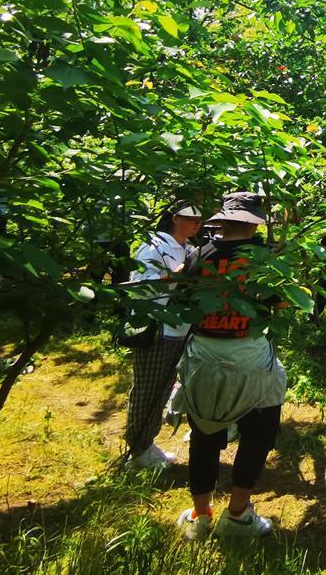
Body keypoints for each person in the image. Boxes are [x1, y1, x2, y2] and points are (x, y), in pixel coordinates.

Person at [173, 192, 287, 541]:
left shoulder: (199, 255)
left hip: (204, 355)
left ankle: (200, 513)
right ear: (254, 223)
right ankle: (237, 513)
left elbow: (181, 301)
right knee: (260, 429)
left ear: (223, 220)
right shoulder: (265, 259)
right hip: (249, 353)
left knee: (204, 434)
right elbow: (281, 304)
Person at [124, 200, 202, 470]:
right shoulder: (154, 245)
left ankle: (146, 444)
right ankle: (137, 449)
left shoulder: (190, 249)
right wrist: (174, 276)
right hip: (157, 327)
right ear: (173, 218)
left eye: (198, 220)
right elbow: (139, 286)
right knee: (147, 390)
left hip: (179, 328)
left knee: (163, 388)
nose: (196, 224)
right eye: (190, 219)